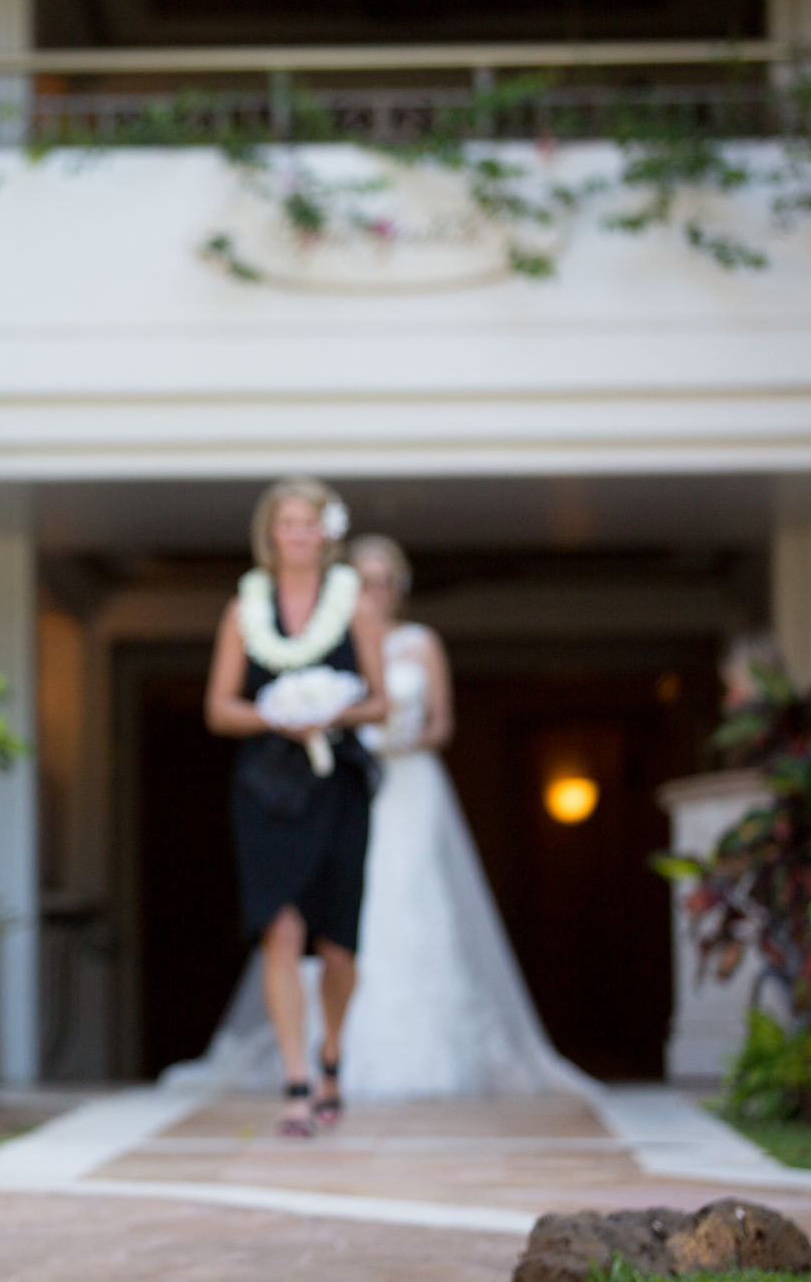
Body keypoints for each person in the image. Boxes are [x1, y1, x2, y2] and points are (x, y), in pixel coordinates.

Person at [168, 533, 593, 1101]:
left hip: (408, 786)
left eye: (384, 582)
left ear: (399, 589)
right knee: (322, 918)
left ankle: (402, 1053)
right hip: (341, 785)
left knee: (409, 906)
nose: (374, 592)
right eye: (363, 581)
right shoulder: (327, 636)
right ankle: (322, 1060)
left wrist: (389, 740)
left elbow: (440, 725)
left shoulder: (421, 642)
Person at [197, 477, 385, 1137]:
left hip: (337, 784)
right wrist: (276, 715)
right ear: (271, 531)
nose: (299, 534)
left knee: (336, 945)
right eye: (289, 523)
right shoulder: (242, 610)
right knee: (280, 928)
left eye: (311, 523)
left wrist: (327, 709)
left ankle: (331, 1050)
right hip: (266, 787)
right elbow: (219, 708)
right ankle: (296, 1080)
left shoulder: (352, 603)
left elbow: (380, 701)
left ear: (325, 532)